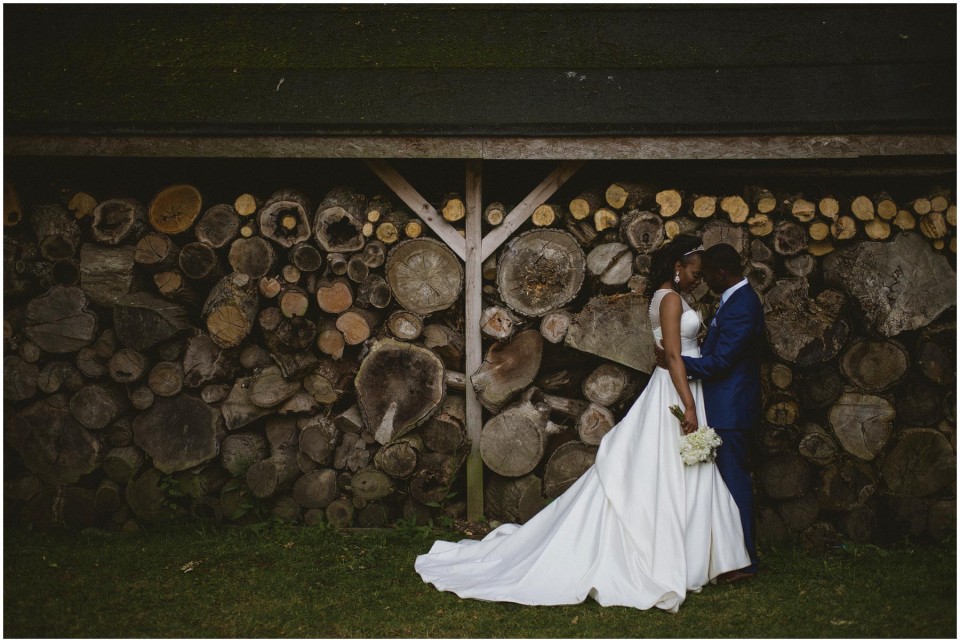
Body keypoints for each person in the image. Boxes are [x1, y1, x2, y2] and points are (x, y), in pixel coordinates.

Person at [414, 234, 750, 612]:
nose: (698, 278)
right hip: (677, 387)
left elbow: (672, 352)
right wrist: (688, 405)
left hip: (681, 382)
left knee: (676, 467)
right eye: (694, 271)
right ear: (678, 267)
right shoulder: (670, 299)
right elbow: (672, 354)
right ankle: (678, 552)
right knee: (671, 467)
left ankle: (700, 554)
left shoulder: (666, 297)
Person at [654, 242, 764, 583]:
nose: (703, 283)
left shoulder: (742, 305)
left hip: (730, 408)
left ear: (720, 273)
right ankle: (723, 555)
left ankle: (743, 560)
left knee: (733, 483)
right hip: (711, 400)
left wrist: (675, 363)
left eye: (706, 276)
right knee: (717, 483)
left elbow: (721, 361)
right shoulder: (730, 301)